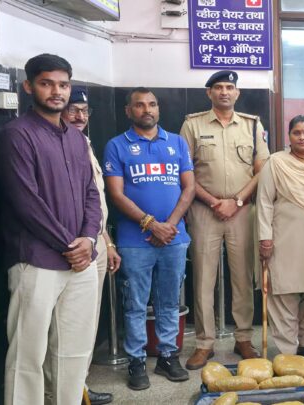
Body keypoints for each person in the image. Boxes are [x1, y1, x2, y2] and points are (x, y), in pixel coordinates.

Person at [0, 53, 102, 405]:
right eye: (47, 83)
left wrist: (88, 239)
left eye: (63, 85)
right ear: (29, 87)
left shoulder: (76, 139)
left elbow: (91, 194)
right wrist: (71, 245)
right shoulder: (17, 135)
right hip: (37, 260)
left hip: (81, 262)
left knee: (74, 351)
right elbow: (26, 203)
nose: (57, 92)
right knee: (27, 355)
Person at [104, 87, 195, 390]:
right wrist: (150, 224)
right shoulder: (117, 145)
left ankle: (168, 355)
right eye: (140, 105)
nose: (147, 110)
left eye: (152, 104)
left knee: (169, 301)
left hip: (174, 238)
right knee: (136, 304)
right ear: (128, 111)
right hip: (135, 241)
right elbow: (116, 194)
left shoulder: (177, 142)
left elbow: (189, 188)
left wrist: (168, 225)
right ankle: (137, 361)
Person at [180, 70, 270, 369]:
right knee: (203, 278)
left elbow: (261, 169)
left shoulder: (252, 125)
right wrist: (213, 201)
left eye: (229, 87)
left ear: (237, 93)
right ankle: (204, 343)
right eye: (218, 87)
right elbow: (185, 170)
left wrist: (237, 201)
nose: (224, 92)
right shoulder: (192, 124)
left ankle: (243, 337)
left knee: (243, 277)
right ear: (209, 93)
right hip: (204, 209)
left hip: (241, 211)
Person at [61, 86, 121, 405]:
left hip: (95, 241)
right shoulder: (59, 144)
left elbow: (95, 200)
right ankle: (68, 392)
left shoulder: (83, 142)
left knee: (87, 322)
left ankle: (79, 387)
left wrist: (106, 241)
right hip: (75, 246)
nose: (79, 116)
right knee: (70, 326)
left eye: (84, 111)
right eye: (73, 110)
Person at [257, 115, 304, 364]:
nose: (302, 137)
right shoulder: (276, 162)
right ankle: (287, 350)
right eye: (296, 133)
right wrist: (265, 238)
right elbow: (265, 201)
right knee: (283, 293)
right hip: (283, 239)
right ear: (289, 136)